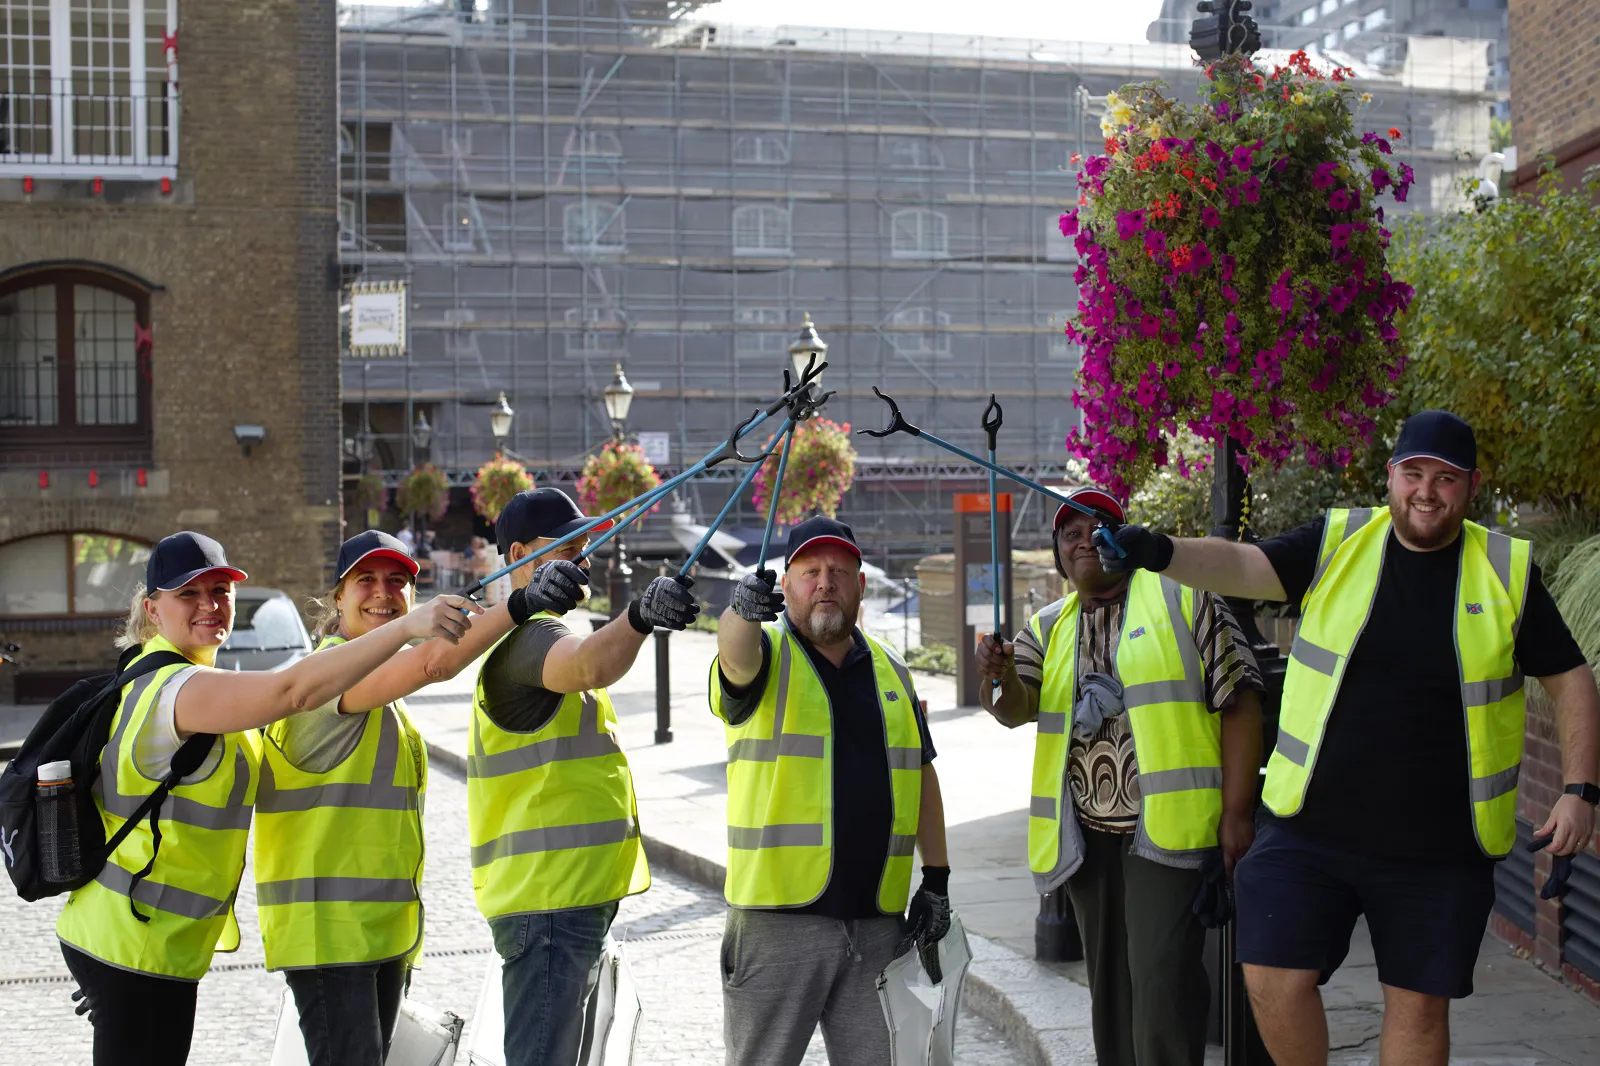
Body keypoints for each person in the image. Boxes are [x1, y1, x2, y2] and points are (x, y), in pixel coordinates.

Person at [1095, 410, 1600, 1066]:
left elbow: (1568, 677)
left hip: (1440, 848)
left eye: (1445, 479)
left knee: (1417, 1007)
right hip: (1308, 831)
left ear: (1470, 487)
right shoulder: (1340, 541)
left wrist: (1579, 791)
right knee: (1271, 978)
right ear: (1390, 476)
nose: (1426, 491)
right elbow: (1245, 566)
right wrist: (1158, 551)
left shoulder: (1503, 570)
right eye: (1413, 473)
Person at [57, 531, 477, 1066]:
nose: (210, 605)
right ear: (152, 610)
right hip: (131, 941)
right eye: (189, 594)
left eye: (220, 591)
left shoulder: (188, 682)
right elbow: (292, 692)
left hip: (148, 945)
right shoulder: (175, 689)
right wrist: (409, 627)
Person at [254, 530, 588, 1066]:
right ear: (337, 597)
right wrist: (521, 601)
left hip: (377, 937)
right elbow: (434, 663)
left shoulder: (386, 696)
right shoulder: (323, 680)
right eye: (366, 580)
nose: (384, 593)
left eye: (398, 581)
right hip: (330, 940)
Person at [976, 488, 1264, 1066]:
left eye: (1097, 527)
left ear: (1123, 539)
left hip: (1167, 834)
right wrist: (998, 675)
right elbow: (1013, 708)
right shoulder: (1048, 626)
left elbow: (1243, 700)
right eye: (1069, 534)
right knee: (1111, 993)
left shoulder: (1186, 599)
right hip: (1087, 838)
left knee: (1162, 985)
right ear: (1058, 556)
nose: (1082, 539)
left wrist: (1237, 815)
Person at [469, 488, 700, 1066]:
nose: (586, 555)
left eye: (589, 542)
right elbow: (591, 661)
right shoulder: (530, 636)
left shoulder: (546, 634)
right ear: (520, 554)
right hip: (548, 904)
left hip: (564, 900)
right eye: (570, 545)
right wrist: (641, 615)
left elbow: (591, 659)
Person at [712, 516, 950, 1066]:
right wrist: (739, 611)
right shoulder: (765, 654)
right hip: (778, 926)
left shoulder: (892, 670)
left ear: (861, 586)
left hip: (875, 927)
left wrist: (936, 878)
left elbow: (922, 774)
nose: (825, 583)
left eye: (840, 572)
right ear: (786, 584)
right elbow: (734, 655)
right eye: (810, 571)